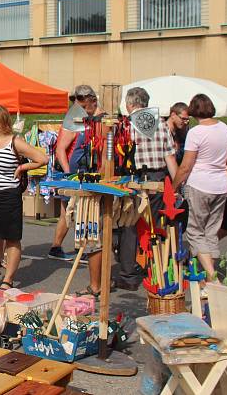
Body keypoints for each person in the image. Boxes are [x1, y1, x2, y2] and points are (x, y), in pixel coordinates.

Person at [81, 87, 178, 296]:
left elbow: (114, 155)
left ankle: (128, 274)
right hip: (158, 178)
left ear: (130, 104)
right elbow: (170, 159)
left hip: (133, 179)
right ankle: (158, 269)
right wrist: (177, 187)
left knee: (129, 226)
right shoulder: (160, 124)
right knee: (157, 227)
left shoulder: (127, 125)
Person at [0, 106, 48, 295]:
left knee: (11, 238)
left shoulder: (16, 141)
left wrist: (23, 167)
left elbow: (43, 159)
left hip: (8, 196)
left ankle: (8, 279)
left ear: (0, 122)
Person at [173, 94, 227, 283]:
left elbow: (186, 165)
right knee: (211, 231)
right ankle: (209, 278)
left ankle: (212, 276)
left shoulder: (196, 132)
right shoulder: (224, 128)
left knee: (195, 232)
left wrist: (175, 185)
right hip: (221, 183)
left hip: (201, 184)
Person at [50, 84, 105, 262]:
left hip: (87, 170)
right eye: (78, 103)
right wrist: (68, 175)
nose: (79, 106)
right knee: (70, 211)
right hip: (73, 172)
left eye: (82, 103)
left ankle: (71, 248)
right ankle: (59, 247)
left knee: (80, 211)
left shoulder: (95, 116)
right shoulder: (73, 120)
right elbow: (60, 150)